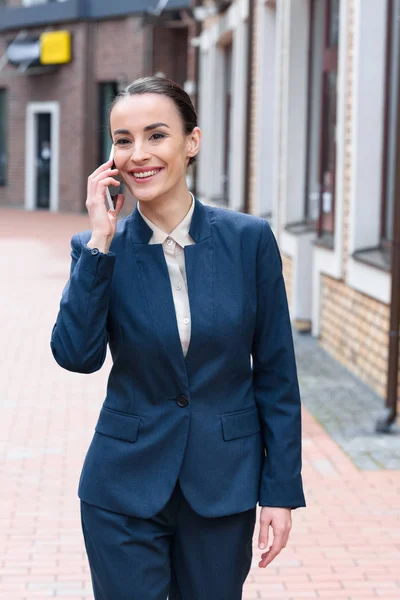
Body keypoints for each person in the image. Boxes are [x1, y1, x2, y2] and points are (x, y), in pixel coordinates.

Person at [50, 76, 305, 600]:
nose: (138, 154)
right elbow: (77, 356)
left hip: (223, 485)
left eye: (156, 135)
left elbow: (277, 375)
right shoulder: (97, 247)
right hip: (122, 487)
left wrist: (280, 491)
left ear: (192, 142)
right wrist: (100, 240)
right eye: (123, 140)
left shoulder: (249, 241)